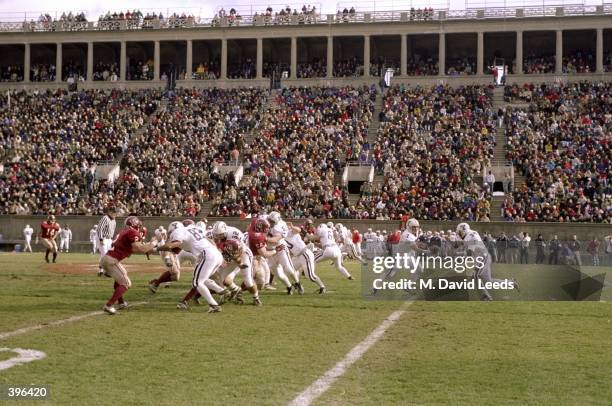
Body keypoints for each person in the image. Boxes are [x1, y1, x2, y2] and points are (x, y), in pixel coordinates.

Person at [158, 221, 226, 313]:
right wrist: (217, 253)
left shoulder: (178, 231)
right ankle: (221, 291)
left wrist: (156, 248)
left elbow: (175, 243)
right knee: (203, 279)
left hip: (207, 254)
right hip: (215, 253)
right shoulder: (193, 229)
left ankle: (214, 305)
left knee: (197, 282)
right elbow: (209, 240)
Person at [99, 216, 158, 315]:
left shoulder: (124, 232)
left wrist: (150, 248)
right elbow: (141, 249)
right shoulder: (132, 232)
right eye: (139, 225)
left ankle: (121, 303)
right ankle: (109, 305)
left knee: (121, 278)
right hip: (111, 260)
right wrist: (153, 243)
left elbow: (132, 250)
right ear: (136, 224)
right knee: (126, 283)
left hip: (108, 258)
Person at [456, 223, 519, 301]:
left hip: (482, 258)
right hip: (482, 257)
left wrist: (466, 260)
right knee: (485, 281)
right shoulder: (470, 234)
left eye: (460, 231)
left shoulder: (469, 235)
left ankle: (486, 297)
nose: (459, 233)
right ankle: (510, 284)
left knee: (478, 278)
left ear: (464, 230)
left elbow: (470, 250)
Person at [287, 223, 326, 294]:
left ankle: (322, 287)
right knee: (291, 271)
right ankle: (297, 284)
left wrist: (292, 226)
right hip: (296, 256)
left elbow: (298, 230)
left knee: (310, 276)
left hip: (305, 254)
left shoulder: (290, 232)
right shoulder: (282, 236)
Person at [97, 206, 117, 275]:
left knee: (106, 255)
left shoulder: (114, 220)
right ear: (110, 212)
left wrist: (112, 240)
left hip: (109, 239)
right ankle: (106, 271)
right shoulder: (105, 218)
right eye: (114, 212)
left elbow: (112, 230)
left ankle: (101, 270)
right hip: (104, 238)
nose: (115, 214)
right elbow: (99, 229)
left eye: (115, 213)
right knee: (105, 255)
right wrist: (101, 239)